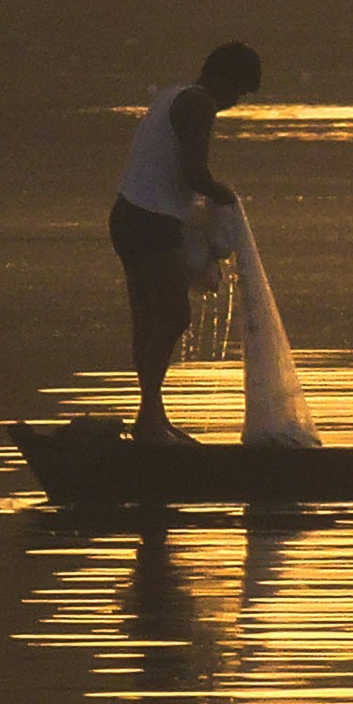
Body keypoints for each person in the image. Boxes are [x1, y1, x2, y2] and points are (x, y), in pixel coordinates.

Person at [112, 41, 260, 440]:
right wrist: (224, 193)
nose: (235, 101)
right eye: (239, 91)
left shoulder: (169, 96)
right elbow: (194, 173)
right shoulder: (200, 104)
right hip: (152, 221)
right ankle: (149, 418)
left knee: (147, 317)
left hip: (126, 215)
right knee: (174, 316)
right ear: (224, 79)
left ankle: (151, 417)